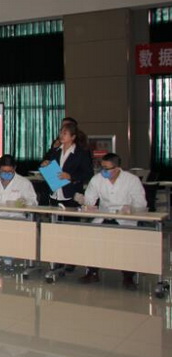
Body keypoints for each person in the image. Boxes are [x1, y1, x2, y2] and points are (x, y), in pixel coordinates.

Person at [75, 153, 147, 289]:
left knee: (127, 246)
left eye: (106, 168)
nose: (103, 171)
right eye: (101, 167)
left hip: (125, 219)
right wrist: (83, 201)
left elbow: (141, 203)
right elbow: (90, 200)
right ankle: (92, 272)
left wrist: (131, 208)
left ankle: (128, 276)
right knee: (93, 242)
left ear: (117, 168)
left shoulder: (131, 180)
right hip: (104, 217)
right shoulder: (97, 179)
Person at [0, 155, 38, 270]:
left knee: (9, 229)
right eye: (3, 171)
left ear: (14, 168)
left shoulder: (23, 182)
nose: (6, 174)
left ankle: (9, 260)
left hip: (15, 215)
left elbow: (33, 201)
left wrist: (25, 202)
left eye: (9, 172)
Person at [41, 123, 94, 208]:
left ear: (73, 137)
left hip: (72, 195)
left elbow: (88, 173)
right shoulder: (55, 151)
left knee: (70, 216)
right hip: (54, 193)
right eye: (60, 133)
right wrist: (45, 164)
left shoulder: (81, 153)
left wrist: (70, 176)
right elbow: (47, 164)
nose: (61, 135)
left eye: (65, 133)